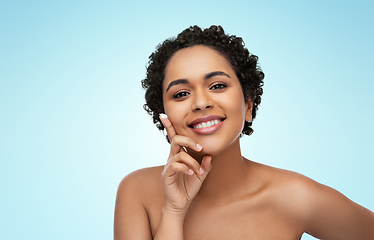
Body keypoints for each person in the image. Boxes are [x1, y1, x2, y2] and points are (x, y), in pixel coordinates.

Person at [113, 25, 374, 240]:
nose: (201, 102)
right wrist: (173, 211)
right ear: (164, 114)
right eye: (181, 93)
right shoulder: (137, 193)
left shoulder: (295, 197)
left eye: (217, 85)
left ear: (248, 104)